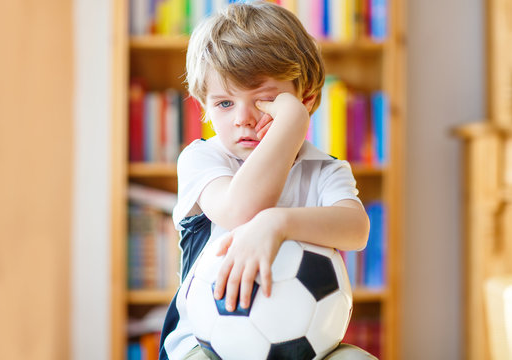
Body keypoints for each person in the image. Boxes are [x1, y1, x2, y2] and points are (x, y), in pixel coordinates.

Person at [159, 2, 375, 359]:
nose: (243, 119)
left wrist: (279, 222)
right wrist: (288, 125)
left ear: (306, 99)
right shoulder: (202, 159)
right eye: (225, 104)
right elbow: (240, 210)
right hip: (204, 345)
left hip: (305, 344)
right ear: (203, 105)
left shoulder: (325, 170)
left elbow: (357, 230)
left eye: (265, 100)